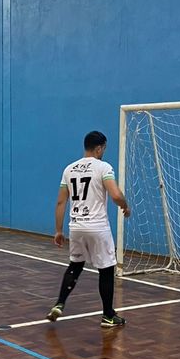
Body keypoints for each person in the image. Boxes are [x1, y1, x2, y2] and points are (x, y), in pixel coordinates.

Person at [46, 131, 131, 327]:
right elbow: (115, 195)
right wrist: (125, 206)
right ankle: (108, 315)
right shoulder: (103, 167)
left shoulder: (69, 169)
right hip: (97, 227)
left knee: (75, 266)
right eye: (104, 148)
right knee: (106, 270)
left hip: (76, 226)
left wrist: (58, 230)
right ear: (99, 148)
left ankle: (60, 303)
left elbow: (61, 202)